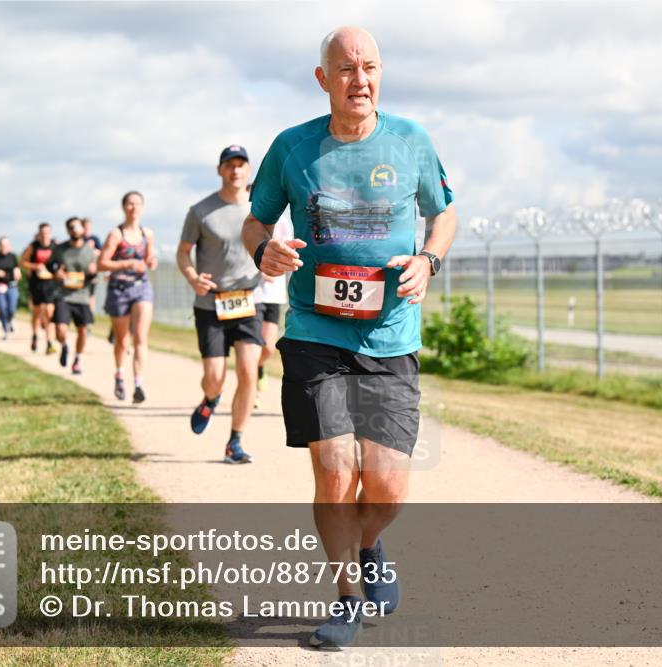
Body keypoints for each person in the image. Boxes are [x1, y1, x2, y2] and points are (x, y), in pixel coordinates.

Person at [241, 26, 457, 648]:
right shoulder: (292, 147)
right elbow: (257, 221)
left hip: (390, 335)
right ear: (323, 79)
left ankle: (370, 544)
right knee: (334, 470)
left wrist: (428, 261)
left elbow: (443, 211)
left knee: (387, 486)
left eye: (369, 68)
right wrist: (266, 252)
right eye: (345, 69)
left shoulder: (411, 141)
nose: (358, 80)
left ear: (380, 74)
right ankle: (345, 599)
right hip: (313, 332)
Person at [177, 145, 262, 464]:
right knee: (215, 376)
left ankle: (235, 442)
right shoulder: (200, 210)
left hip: (246, 301)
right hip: (210, 304)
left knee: (248, 371)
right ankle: (211, 398)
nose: (235, 170)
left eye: (241, 165)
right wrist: (192, 276)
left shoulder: (260, 209)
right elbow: (183, 252)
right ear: (220, 170)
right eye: (230, 165)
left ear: (248, 170)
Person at [97, 191, 158, 403]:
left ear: (143, 207)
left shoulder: (147, 233)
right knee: (122, 340)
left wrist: (151, 261)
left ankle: (139, 384)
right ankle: (120, 375)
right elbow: (101, 264)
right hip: (118, 288)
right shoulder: (116, 234)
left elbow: (150, 257)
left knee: (141, 337)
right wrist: (127, 263)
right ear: (124, 207)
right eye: (130, 204)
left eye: (138, 204)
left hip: (141, 287)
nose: (134, 208)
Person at [49, 217, 97, 373]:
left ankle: (77, 359)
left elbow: (96, 274)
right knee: (60, 330)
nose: (74, 230)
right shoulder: (60, 249)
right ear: (68, 230)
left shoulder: (90, 252)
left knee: (83, 330)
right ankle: (64, 345)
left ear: (83, 229)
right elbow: (50, 264)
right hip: (63, 295)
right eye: (71, 227)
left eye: (77, 227)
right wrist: (56, 272)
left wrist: (92, 273)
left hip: (82, 296)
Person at [252, 213, 291, 402]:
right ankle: (251, 391)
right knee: (250, 347)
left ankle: (257, 367)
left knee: (268, 347)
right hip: (250, 294)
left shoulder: (282, 222)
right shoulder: (248, 225)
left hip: (273, 294)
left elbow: (289, 250)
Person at [20, 223, 57, 354]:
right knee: (37, 312)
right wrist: (36, 267)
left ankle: (49, 342)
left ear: (50, 233)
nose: (45, 235)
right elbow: (22, 262)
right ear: (39, 234)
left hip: (51, 284)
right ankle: (35, 335)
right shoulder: (33, 246)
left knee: (49, 312)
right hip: (36, 284)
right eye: (43, 233)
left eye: (47, 232)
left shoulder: (54, 246)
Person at [0, 236, 21, 339]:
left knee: (11, 309)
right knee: (2, 308)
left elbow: (17, 269)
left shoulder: (13, 256)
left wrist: (18, 273)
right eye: (2, 245)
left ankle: (10, 320)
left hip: (12, 286)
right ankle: (5, 330)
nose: (4, 247)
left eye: (6, 245)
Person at [82, 217, 103, 323]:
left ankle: (89, 319)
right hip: (79, 272)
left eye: (88, 227)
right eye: (85, 227)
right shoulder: (78, 239)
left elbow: (102, 253)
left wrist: (91, 250)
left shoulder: (95, 239)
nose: (87, 229)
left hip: (92, 272)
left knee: (91, 295)